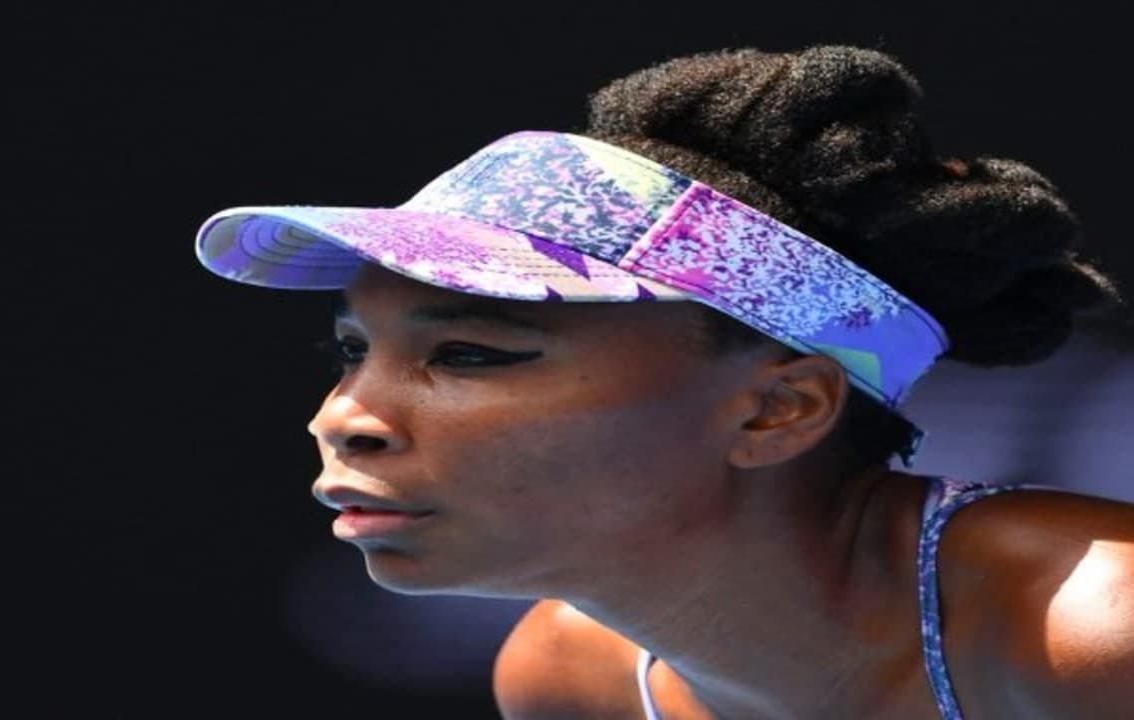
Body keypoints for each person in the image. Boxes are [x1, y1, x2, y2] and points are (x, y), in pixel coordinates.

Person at [193, 45, 1133, 719]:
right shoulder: (567, 681)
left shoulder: (1104, 635)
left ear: (777, 409)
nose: (344, 418)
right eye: (352, 351)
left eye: (471, 353)